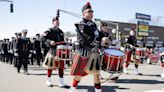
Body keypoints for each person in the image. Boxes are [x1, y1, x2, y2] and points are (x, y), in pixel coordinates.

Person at [68, 2, 102, 92]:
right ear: (84, 13)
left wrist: (104, 39)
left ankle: (98, 90)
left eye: (92, 11)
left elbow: (98, 36)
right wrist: (95, 43)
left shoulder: (94, 24)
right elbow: (85, 39)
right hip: (84, 52)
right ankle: (72, 89)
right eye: (89, 11)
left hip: (94, 52)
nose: (91, 13)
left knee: (96, 73)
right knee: (79, 74)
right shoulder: (80, 25)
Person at [42, 15, 69, 88]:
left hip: (60, 53)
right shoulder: (49, 30)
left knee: (61, 68)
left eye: (58, 22)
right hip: (52, 51)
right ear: (53, 22)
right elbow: (43, 38)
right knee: (50, 67)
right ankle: (48, 81)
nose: (57, 23)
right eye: (56, 22)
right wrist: (50, 41)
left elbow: (62, 41)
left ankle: (61, 82)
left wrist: (65, 44)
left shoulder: (61, 31)